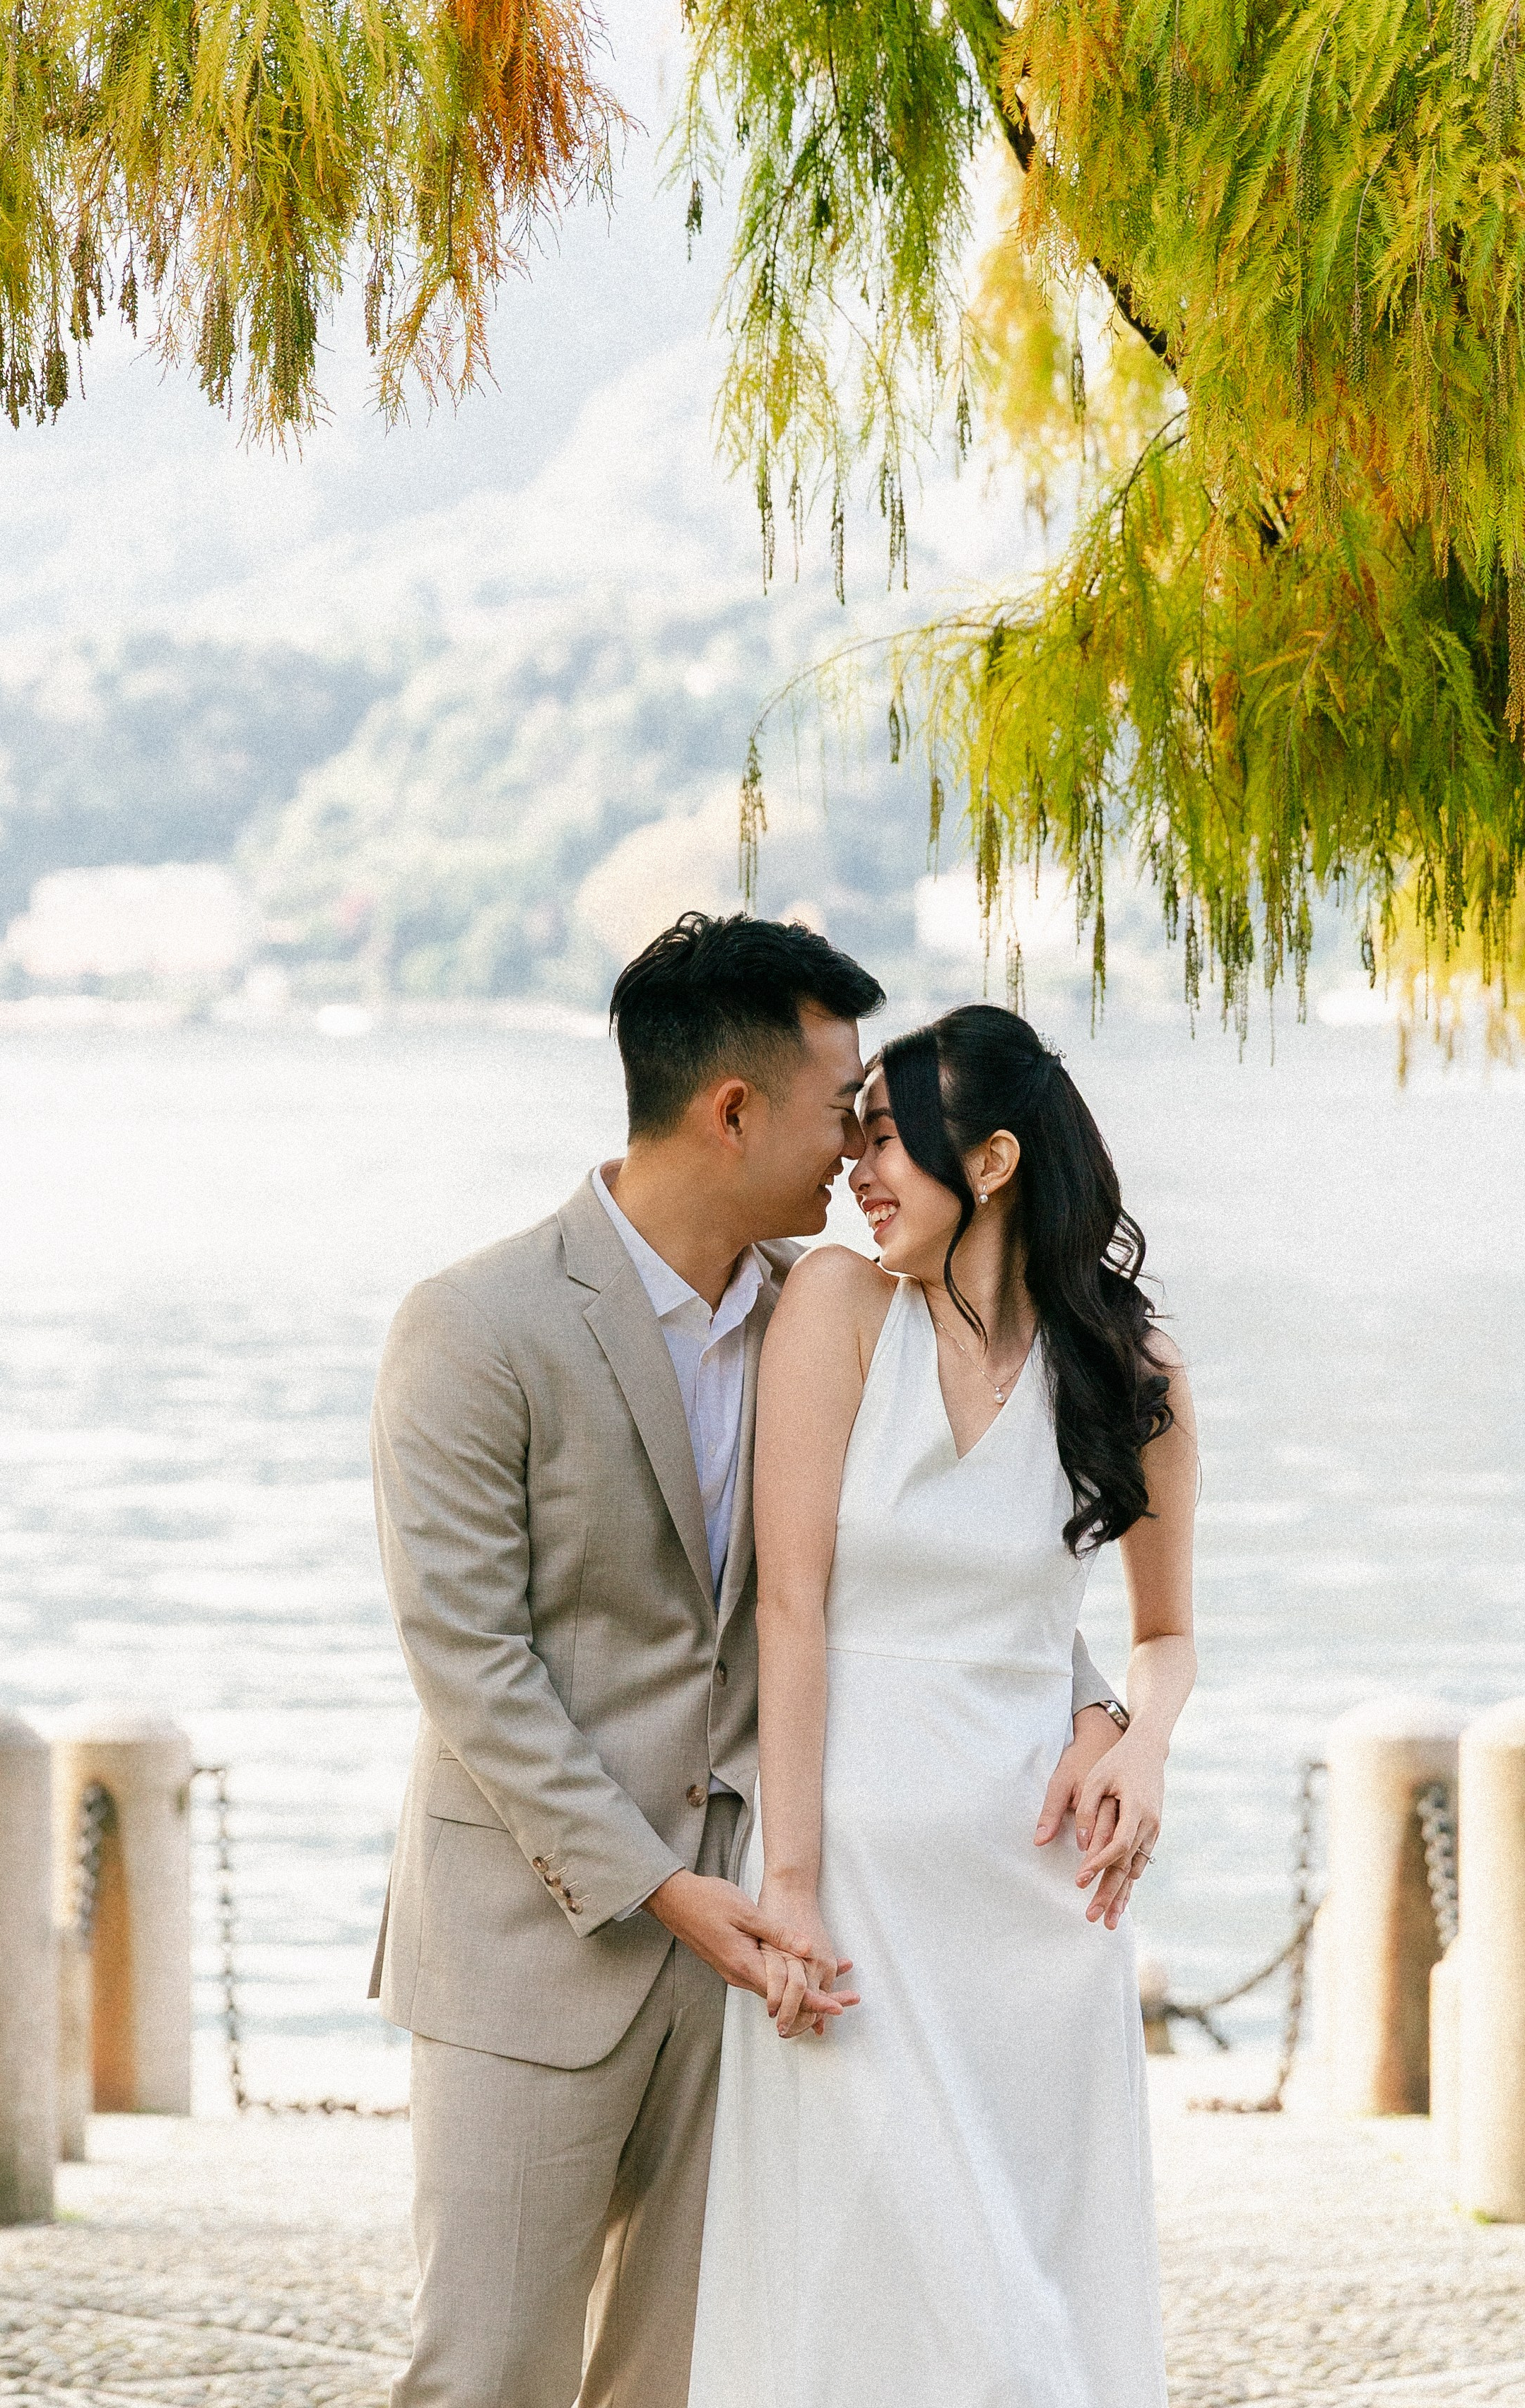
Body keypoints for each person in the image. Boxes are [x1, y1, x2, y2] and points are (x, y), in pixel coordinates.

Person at [367, 919, 1136, 2408]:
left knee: (689, 2379)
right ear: (733, 1111)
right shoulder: (474, 1327)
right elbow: (469, 1663)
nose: (863, 1139)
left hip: (770, 1953)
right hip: (545, 1942)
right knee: (487, 2374)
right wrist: (665, 1892)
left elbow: (951, 1562)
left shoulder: (840, 1311)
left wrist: (1096, 1707)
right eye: (842, 1099)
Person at [688, 1003, 1198, 2408]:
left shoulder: (1128, 1373)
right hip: (846, 1896)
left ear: (987, 1162)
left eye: (882, 1147)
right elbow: (786, 1609)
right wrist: (786, 1884)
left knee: (1024, 2307)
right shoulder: (841, 1312)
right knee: (848, 2291)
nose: (854, 1178)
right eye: (846, 1146)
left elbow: (1160, 1636)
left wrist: (1139, 1743)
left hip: (1030, 1906)